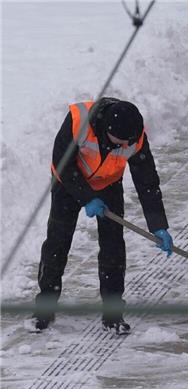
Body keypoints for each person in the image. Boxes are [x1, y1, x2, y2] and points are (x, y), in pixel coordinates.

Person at [31, 97, 173, 334]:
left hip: (108, 185)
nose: (124, 145)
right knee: (57, 243)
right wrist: (86, 197)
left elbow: (147, 179)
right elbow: (62, 161)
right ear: (107, 130)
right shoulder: (79, 121)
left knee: (113, 247)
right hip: (69, 183)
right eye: (119, 142)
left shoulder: (134, 134)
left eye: (129, 141)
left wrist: (158, 224)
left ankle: (113, 314)